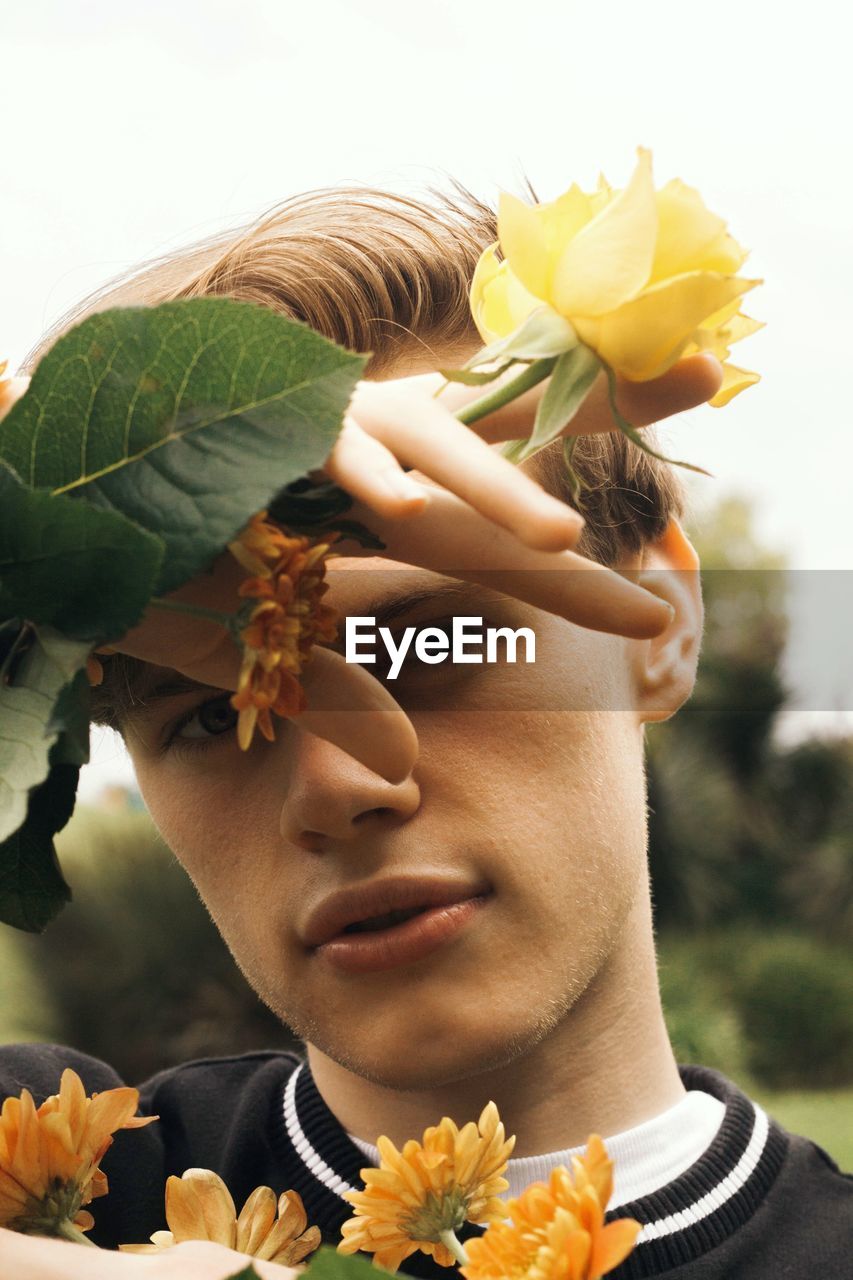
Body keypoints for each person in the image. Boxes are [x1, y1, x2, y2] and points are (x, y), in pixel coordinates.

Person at [1, 186, 850, 1280]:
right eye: (219, 706)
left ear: (661, 623)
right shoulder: (55, 1173)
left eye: (429, 644)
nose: (338, 782)